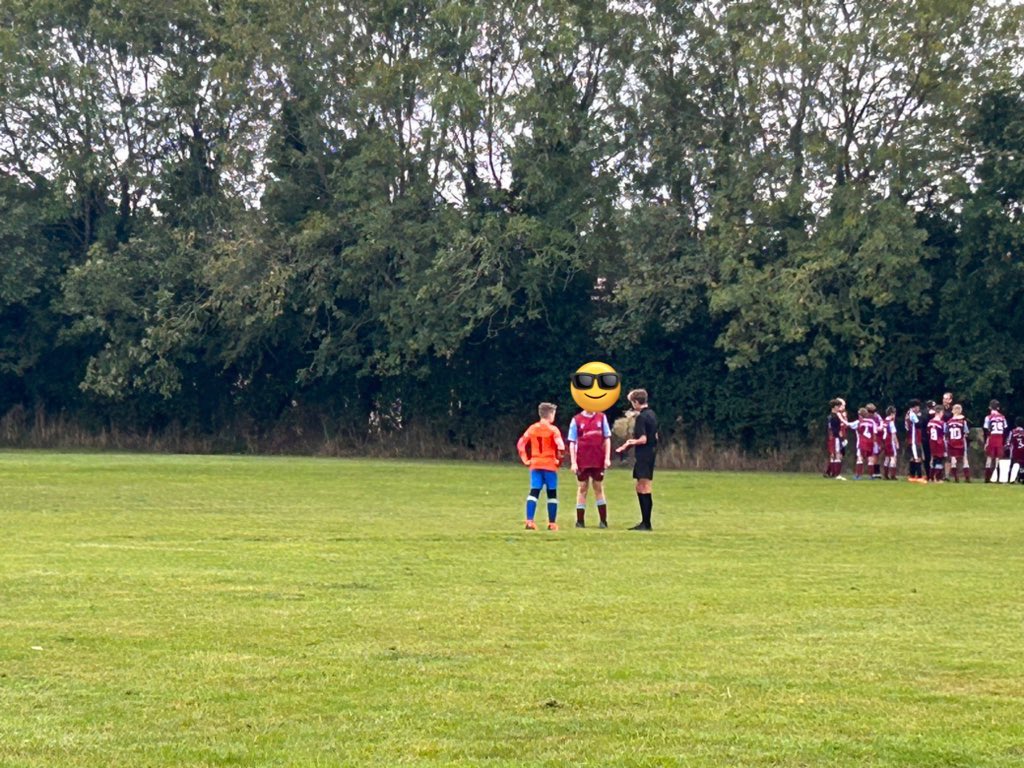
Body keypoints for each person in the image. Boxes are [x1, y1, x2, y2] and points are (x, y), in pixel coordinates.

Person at [516, 402, 566, 530]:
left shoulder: (532, 428)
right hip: (549, 465)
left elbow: (521, 443)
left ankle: (529, 521)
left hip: (536, 464)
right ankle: (552, 523)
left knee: (534, 492)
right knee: (552, 494)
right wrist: (559, 460)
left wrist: (525, 460)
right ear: (550, 414)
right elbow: (560, 446)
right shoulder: (553, 430)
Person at [615, 388, 658, 531]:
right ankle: (645, 522)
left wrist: (628, 443)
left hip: (644, 455)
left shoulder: (641, 417)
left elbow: (643, 439)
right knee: (641, 486)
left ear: (635, 402)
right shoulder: (652, 414)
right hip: (650, 453)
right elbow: (655, 436)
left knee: (644, 486)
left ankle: (646, 523)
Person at [568, 405, 612, 528]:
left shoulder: (601, 417)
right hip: (582, 459)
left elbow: (607, 438)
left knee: (598, 487)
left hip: (598, 459)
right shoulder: (576, 420)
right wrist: (573, 462)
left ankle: (603, 521)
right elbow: (572, 442)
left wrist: (607, 458)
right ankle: (580, 521)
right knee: (583, 488)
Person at [983, 400, 1008, 482]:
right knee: (998, 458)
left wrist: (986, 442)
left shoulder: (988, 417)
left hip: (992, 437)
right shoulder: (1002, 417)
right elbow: (1005, 429)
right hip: (1000, 438)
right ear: (998, 408)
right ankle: (997, 478)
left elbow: (986, 430)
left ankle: (987, 478)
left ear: (990, 407)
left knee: (989, 457)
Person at [946, 404, 971, 482]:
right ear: (960, 411)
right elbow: (966, 432)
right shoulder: (963, 422)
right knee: (964, 459)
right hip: (961, 442)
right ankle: (967, 478)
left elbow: (946, 433)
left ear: (953, 411)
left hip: (952, 442)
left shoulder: (949, 422)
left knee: (953, 459)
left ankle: (956, 478)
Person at [824, 398, 846, 479]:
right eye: (838, 406)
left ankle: (832, 473)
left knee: (834, 455)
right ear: (834, 407)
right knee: (838, 455)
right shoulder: (835, 417)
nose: (839, 407)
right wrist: (839, 435)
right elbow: (834, 429)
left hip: (831, 437)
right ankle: (837, 474)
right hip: (835, 437)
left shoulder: (830, 416)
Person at [904, 400, 926, 483]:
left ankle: (912, 475)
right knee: (917, 458)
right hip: (914, 438)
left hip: (910, 438)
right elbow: (918, 424)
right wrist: (920, 416)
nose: (919, 409)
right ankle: (919, 476)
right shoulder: (912, 414)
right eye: (918, 407)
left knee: (913, 458)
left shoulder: (908, 413)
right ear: (915, 407)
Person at [927, 408, 947, 482]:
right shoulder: (942, 423)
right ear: (940, 412)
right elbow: (944, 434)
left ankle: (931, 477)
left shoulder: (930, 422)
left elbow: (928, 432)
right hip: (939, 442)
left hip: (932, 442)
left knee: (933, 459)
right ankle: (937, 478)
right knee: (939, 460)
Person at [882, 405, 900, 480]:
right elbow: (893, 434)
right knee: (893, 457)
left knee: (887, 457)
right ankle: (893, 475)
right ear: (892, 414)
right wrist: (896, 442)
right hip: (890, 441)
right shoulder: (891, 422)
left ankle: (885, 475)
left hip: (885, 441)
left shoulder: (884, 421)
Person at [1008, 418, 1024, 483]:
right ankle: (1022, 478)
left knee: (1014, 465)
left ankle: (1012, 479)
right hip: (1023, 451)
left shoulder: (1012, 432)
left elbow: (1008, 442)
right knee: (1022, 465)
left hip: (1015, 451)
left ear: (1015, 424)